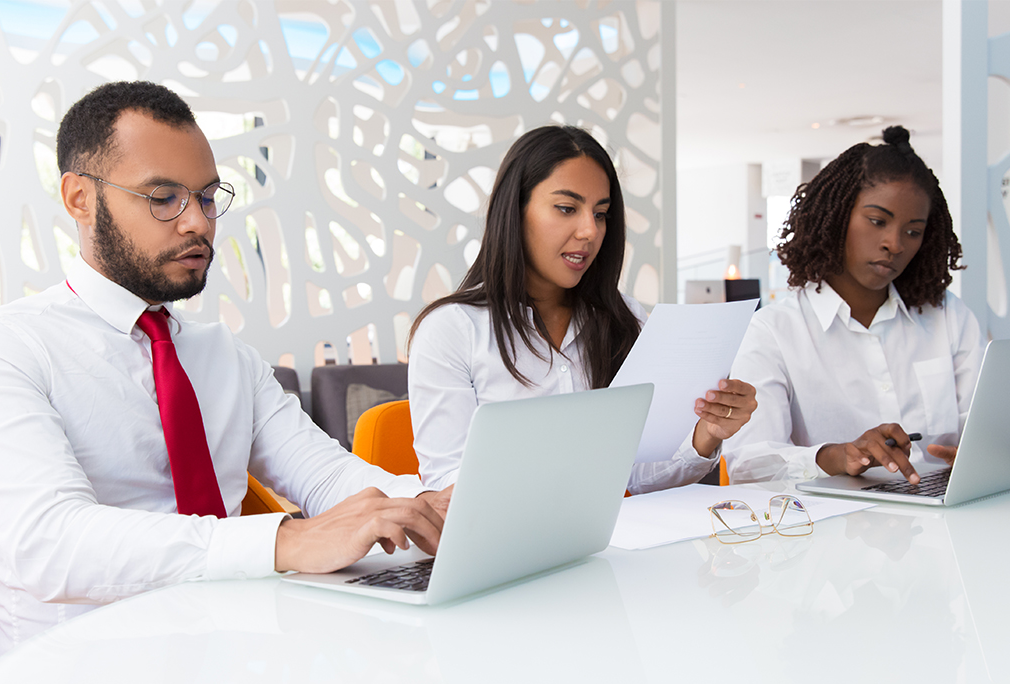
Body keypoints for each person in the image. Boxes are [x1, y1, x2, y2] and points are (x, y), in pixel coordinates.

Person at [0, 81, 448, 658]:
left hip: (234, 654)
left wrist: (435, 504)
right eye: (164, 197)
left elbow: (328, 478)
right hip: (73, 676)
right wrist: (286, 541)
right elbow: (47, 543)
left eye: (207, 198)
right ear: (80, 198)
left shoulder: (224, 355)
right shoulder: (8, 347)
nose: (198, 223)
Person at [407, 125, 757, 493]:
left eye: (601, 214)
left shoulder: (625, 319)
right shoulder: (452, 331)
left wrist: (707, 433)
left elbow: (635, 474)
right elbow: (446, 484)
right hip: (507, 530)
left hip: (617, 529)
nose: (590, 231)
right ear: (515, 210)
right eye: (566, 208)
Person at [723, 125, 984, 484]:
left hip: (944, 510)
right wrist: (835, 456)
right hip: (832, 519)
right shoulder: (773, 332)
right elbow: (749, 464)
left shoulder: (949, 317)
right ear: (836, 217)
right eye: (877, 221)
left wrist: (982, 456)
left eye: (913, 231)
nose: (895, 244)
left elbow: (985, 428)